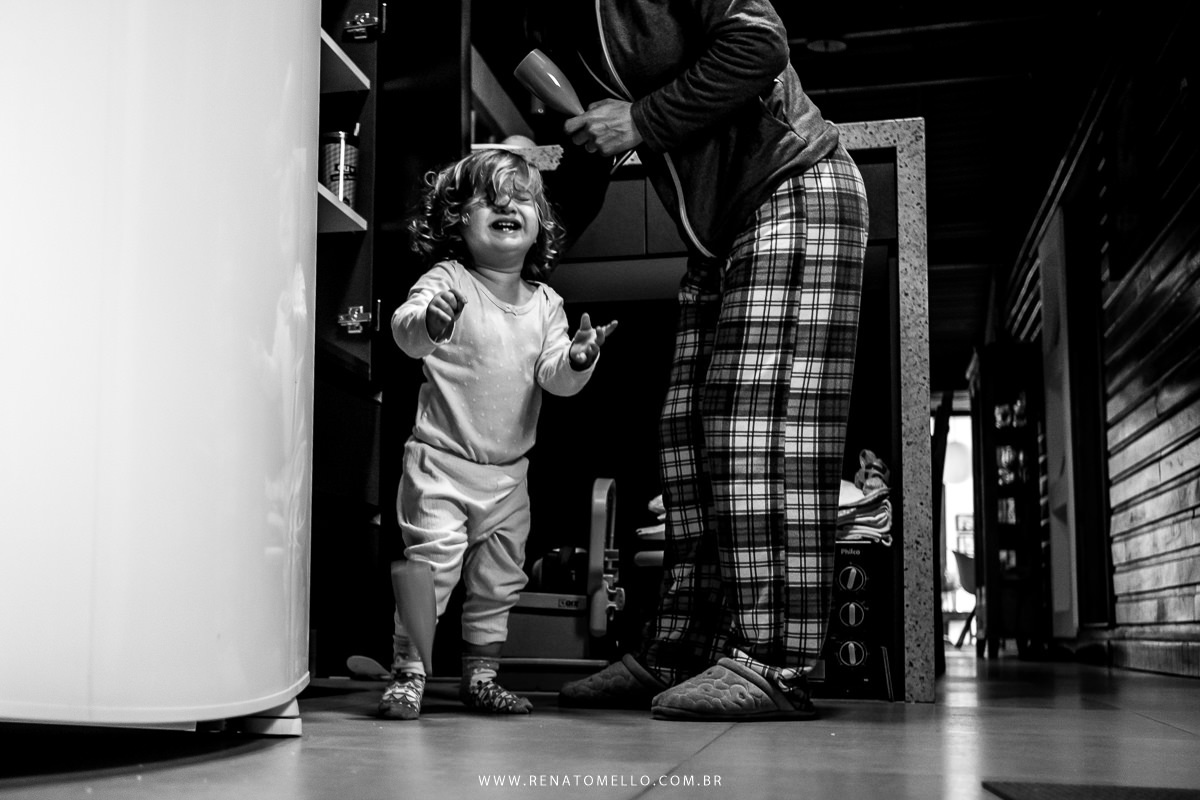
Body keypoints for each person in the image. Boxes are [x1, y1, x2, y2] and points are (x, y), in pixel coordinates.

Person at [526, 0, 870, 721]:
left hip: (793, 185)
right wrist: (521, 262)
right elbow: (591, 154)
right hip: (720, 236)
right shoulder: (563, 22)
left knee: (756, 431)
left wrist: (639, 120)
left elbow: (758, 44)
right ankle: (685, 647)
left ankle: (773, 660)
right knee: (687, 439)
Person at [378, 146, 618, 720]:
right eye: (489, 199)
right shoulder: (449, 279)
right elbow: (406, 333)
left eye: (522, 199)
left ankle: (481, 677)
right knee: (432, 566)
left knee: (499, 579)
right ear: (457, 221)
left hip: (509, 478)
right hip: (440, 463)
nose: (507, 206)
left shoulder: (547, 305)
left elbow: (555, 378)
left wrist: (578, 359)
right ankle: (409, 672)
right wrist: (430, 318)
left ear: (539, 225)